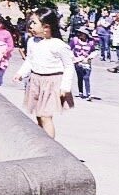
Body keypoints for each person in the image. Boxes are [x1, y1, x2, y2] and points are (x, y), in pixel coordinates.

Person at [12, 8, 74, 138]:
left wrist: (65, 87)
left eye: (34, 23)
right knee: (39, 115)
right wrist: (21, 73)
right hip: (36, 81)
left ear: (46, 27)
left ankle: (51, 147)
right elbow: (30, 60)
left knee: (46, 116)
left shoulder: (58, 45)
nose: (30, 26)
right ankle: (42, 140)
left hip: (52, 83)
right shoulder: (32, 42)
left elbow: (69, 66)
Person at [70, 26, 96, 100]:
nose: (80, 34)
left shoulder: (90, 42)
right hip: (77, 62)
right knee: (80, 77)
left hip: (86, 62)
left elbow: (94, 51)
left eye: (82, 33)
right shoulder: (75, 40)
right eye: (79, 33)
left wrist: (90, 57)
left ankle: (88, 94)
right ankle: (80, 92)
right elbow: (69, 49)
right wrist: (73, 58)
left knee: (86, 77)